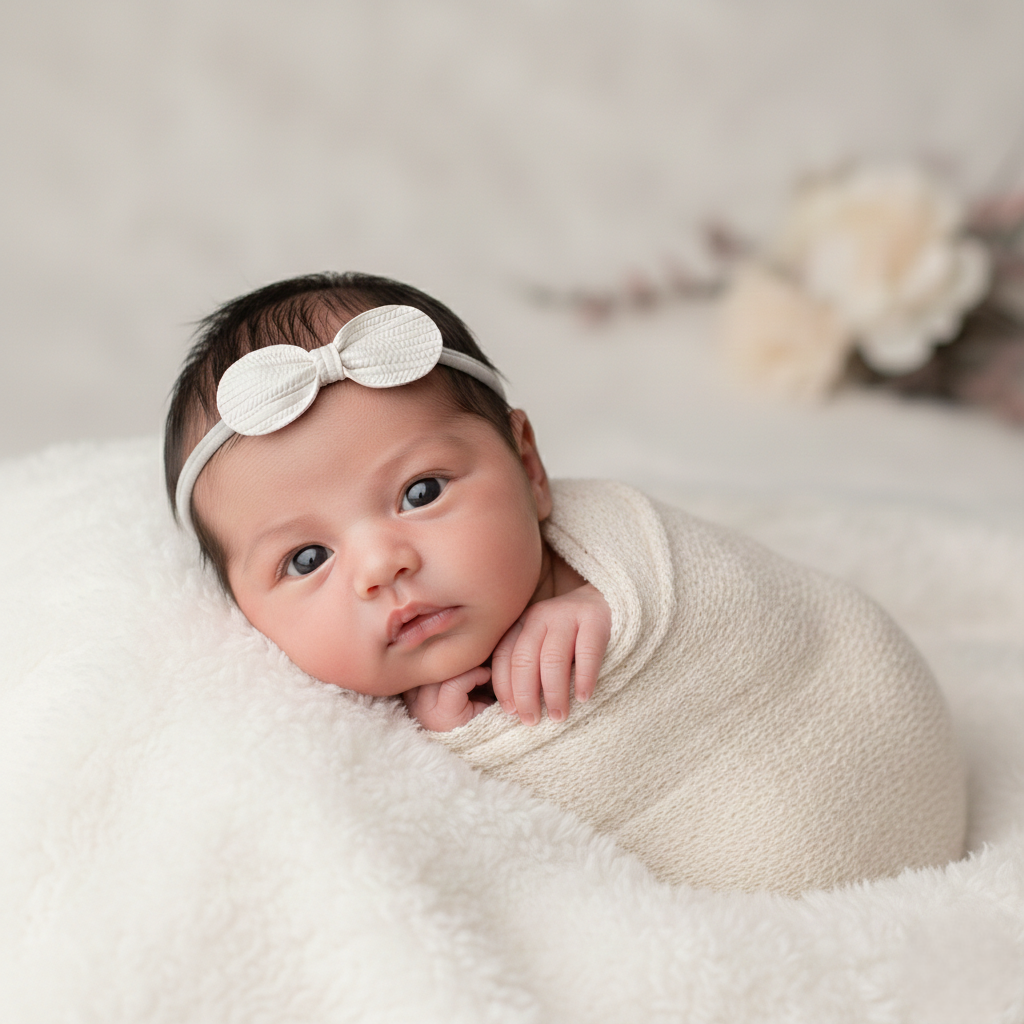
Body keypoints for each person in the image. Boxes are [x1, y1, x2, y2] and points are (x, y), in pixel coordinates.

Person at [165, 271, 967, 893]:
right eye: (307, 560)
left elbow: (767, 620)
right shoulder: (323, 749)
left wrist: (602, 600)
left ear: (529, 466)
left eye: (422, 492)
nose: (383, 566)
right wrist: (449, 747)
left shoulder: (620, 552)